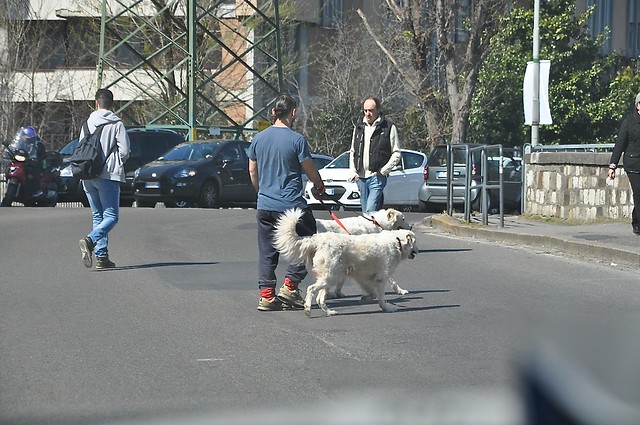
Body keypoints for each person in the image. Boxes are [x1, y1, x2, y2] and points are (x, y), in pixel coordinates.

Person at [248, 93, 325, 311]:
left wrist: (261, 193)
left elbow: (252, 170)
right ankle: (290, 288)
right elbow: (310, 170)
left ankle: (266, 296)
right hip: (291, 206)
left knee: (267, 251)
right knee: (307, 243)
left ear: (273, 112)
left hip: (265, 205)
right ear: (293, 112)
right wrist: (319, 184)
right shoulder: (297, 140)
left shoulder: (258, 139)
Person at [78, 88, 130, 269]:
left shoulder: (87, 123)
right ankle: (91, 240)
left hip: (87, 175)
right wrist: (117, 163)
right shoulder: (117, 123)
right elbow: (124, 150)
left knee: (97, 215)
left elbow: (81, 147)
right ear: (112, 105)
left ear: (96, 103)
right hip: (107, 174)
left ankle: (102, 257)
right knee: (112, 216)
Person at [349, 96, 402, 213]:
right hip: (361, 178)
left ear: (378, 110)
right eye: (365, 110)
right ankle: (374, 231)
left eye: (371, 110)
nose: (368, 114)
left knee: (370, 211)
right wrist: (353, 173)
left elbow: (396, 153)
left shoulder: (388, 127)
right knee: (366, 212)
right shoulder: (358, 127)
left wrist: (383, 171)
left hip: (376, 177)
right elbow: (353, 151)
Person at [609, 92, 640, 235]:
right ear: (638, 105)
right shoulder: (629, 122)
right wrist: (612, 165)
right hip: (633, 163)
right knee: (639, 193)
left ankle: (636, 220)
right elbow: (620, 144)